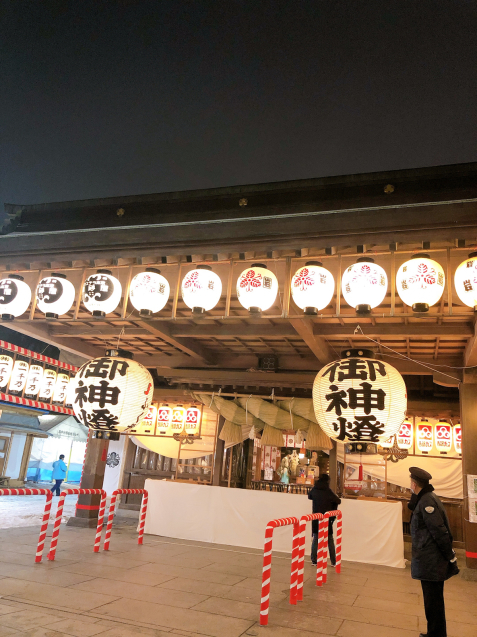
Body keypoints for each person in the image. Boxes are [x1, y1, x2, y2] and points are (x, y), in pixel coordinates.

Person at [408, 467, 459, 637]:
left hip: (431, 560)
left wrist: (450, 556)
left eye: (411, 482)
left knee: (433, 601)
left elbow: (439, 530)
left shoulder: (427, 501)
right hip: (429, 559)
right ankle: (434, 633)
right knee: (432, 601)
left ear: (414, 484)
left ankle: (436, 635)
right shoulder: (425, 498)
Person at [308, 473, 341, 566]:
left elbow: (309, 496)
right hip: (326, 518)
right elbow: (338, 500)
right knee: (330, 540)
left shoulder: (314, 489)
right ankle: (334, 561)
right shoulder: (328, 491)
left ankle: (314, 560)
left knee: (316, 539)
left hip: (315, 517)